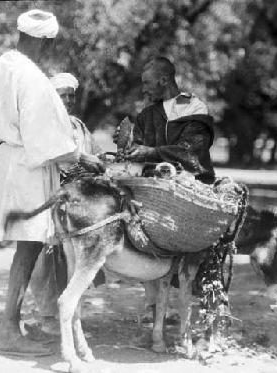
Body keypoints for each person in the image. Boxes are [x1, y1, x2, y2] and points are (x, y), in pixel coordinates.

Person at [0, 9, 104, 355]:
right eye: (50, 44)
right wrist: (81, 157)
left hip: (13, 159)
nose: (49, 50)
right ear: (43, 40)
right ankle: (8, 328)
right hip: (29, 165)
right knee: (29, 246)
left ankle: (13, 323)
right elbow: (43, 136)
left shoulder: (1, 66)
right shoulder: (29, 75)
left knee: (29, 246)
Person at [114, 56, 216, 324]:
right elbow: (137, 151)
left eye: (148, 83)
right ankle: (153, 306)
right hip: (155, 189)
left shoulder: (194, 107)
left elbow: (192, 150)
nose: (144, 89)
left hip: (193, 187)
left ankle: (204, 308)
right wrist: (126, 153)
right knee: (141, 237)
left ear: (164, 80)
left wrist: (152, 152)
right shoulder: (148, 115)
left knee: (196, 248)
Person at [27, 72, 103, 335]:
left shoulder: (78, 125)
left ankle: (71, 317)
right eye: (63, 96)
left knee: (75, 258)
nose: (68, 100)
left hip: (77, 200)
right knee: (45, 257)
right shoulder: (44, 123)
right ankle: (48, 316)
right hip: (48, 194)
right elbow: (53, 156)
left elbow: (93, 155)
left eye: (72, 95)